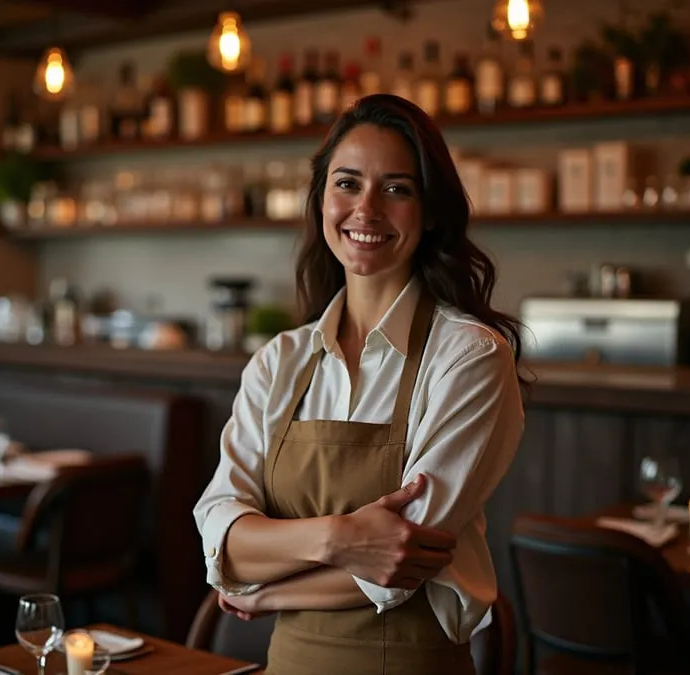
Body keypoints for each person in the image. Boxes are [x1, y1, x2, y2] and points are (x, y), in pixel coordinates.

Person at [193, 94, 525, 675]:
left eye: (396, 189)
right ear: (321, 199)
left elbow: (399, 564)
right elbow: (221, 538)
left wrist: (265, 592)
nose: (366, 210)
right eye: (347, 184)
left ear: (430, 211)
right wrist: (339, 537)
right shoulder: (279, 361)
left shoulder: (469, 357)